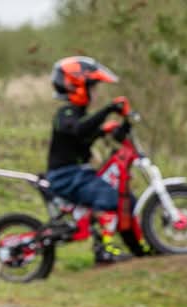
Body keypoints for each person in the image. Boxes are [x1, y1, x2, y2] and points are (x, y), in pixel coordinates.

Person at [46, 56, 135, 264]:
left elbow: (89, 132)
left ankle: (138, 247)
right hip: (66, 175)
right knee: (109, 198)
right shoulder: (65, 113)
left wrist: (119, 128)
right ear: (76, 86)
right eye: (92, 88)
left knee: (125, 198)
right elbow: (79, 130)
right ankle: (105, 250)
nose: (95, 94)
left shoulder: (80, 114)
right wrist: (108, 110)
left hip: (79, 173)